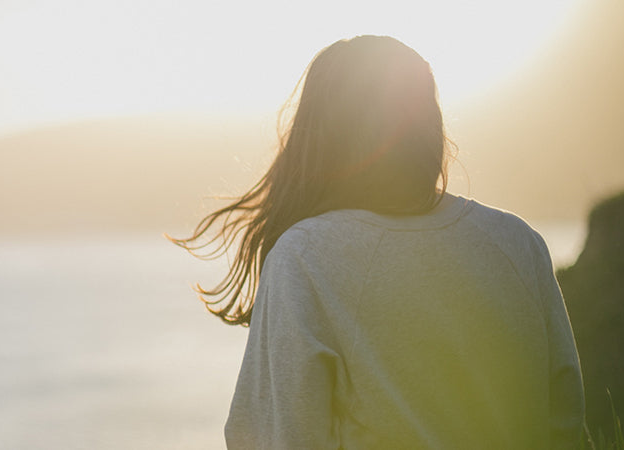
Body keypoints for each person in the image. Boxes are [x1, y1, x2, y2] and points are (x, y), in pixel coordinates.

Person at [169, 35, 585, 449]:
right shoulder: (516, 242)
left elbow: (280, 439)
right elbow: (565, 427)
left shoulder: (306, 257)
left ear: (319, 134)